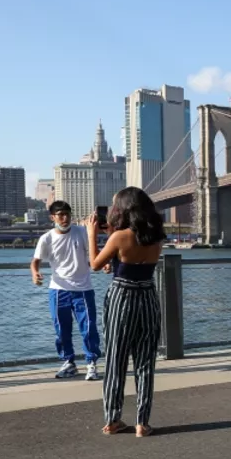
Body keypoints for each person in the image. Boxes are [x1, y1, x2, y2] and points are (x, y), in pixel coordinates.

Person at [87, 187, 165, 437]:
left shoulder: (119, 237)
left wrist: (92, 234)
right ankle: (142, 422)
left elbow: (95, 265)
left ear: (124, 209)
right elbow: (136, 264)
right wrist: (117, 263)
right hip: (148, 297)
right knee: (145, 361)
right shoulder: (156, 237)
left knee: (115, 359)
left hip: (122, 298)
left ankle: (112, 419)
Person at [31, 200, 101, 381]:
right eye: (60, 214)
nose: (65, 218)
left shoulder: (82, 232)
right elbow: (36, 261)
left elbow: (92, 255)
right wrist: (35, 273)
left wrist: (104, 263)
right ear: (52, 217)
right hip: (58, 290)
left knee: (89, 327)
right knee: (61, 330)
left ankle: (91, 363)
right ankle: (68, 363)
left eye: (67, 214)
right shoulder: (46, 238)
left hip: (83, 289)